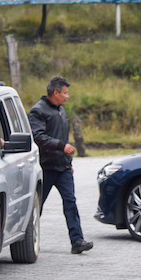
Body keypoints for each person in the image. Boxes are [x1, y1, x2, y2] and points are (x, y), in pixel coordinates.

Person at [28, 76, 92, 254]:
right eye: (65, 93)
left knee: (70, 202)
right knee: (36, 206)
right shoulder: (38, 111)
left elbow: (64, 138)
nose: (67, 96)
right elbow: (38, 137)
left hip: (63, 168)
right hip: (45, 168)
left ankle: (77, 241)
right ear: (55, 93)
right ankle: (26, 241)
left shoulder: (62, 110)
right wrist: (61, 146)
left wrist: (68, 161)